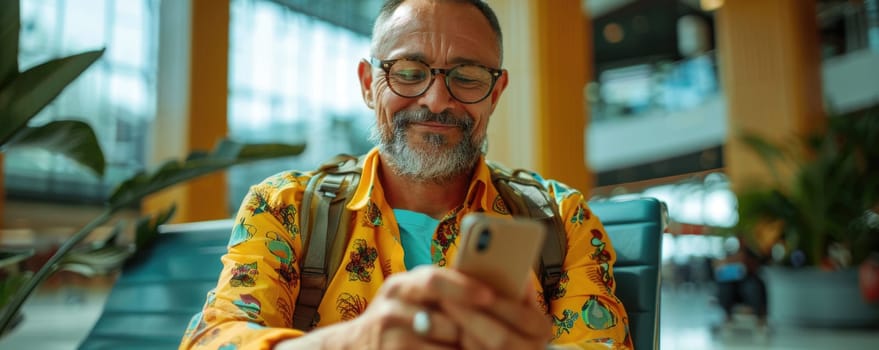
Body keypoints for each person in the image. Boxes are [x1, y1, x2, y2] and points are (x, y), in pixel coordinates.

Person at [179, 1, 632, 349]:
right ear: (366, 83)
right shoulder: (285, 207)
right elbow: (214, 339)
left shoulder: (561, 218)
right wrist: (354, 340)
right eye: (409, 73)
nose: (436, 100)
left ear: (496, 93)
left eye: (468, 77)